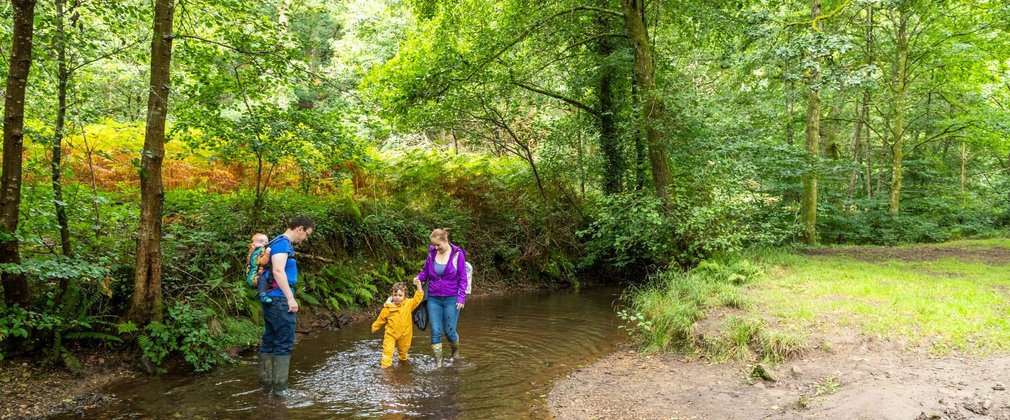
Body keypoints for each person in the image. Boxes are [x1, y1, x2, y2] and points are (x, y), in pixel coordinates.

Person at [258, 215, 314, 400]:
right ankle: (281, 391)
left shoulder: (275, 242)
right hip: (280, 299)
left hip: (270, 299)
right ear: (300, 228)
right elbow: (278, 271)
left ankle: (266, 386)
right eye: (307, 234)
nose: (305, 239)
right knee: (284, 342)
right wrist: (291, 298)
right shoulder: (283, 244)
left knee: (270, 339)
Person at [414, 228, 468, 367]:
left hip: (452, 298)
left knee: (449, 332)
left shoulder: (458, 255)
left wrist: (461, 297)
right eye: (434, 245)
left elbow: (463, 278)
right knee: (436, 331)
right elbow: (425, 273)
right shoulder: (432, 254)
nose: (436, 247)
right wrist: (418, 278)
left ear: (445, 240)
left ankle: (455, 352)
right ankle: (439, 364)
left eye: (438, 245)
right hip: (433, 298)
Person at [371, 279, 424, 368]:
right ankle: (385, 369)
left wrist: (419, 285)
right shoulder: (388, 308)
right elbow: (381, 319)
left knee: (403, 353)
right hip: (390, 334)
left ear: (405, 296)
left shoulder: (408, 304)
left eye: (400, 295)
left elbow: (418, 298)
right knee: (387, 351)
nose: (397, 297)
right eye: (395, 295)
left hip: (405, 334)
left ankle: (403, 366)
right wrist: (375, 327)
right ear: (392, 295)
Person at [246, 233, 272, 303]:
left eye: (266, 242)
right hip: (254, 277)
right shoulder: (256, 253)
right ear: (253, 244)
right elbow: (262, 262)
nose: (264, 243)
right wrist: (267, 253)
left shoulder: (255, 251)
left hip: (254, 274)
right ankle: (262, 295)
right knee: (263, 279)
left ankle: (258, 293)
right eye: (260, 242)